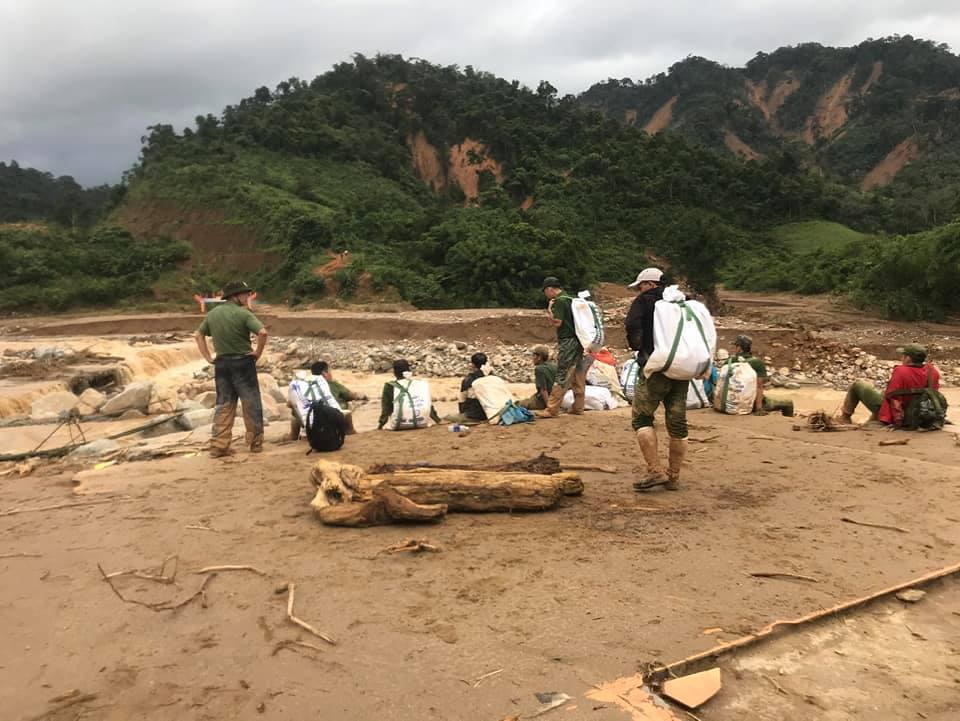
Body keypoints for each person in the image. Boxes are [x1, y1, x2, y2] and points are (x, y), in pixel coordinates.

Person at [626, 267, 699, 492]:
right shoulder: (682, 301)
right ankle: (674, 476)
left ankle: (655, 470)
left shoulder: (645, 301)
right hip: (681, 369)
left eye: (640, 285)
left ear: (649, 284)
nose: (639, 289)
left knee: (642, 417)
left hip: (655, 368)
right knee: (677, 423)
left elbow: (631, 326)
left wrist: (639, 346)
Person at [194, 280, 268, 458]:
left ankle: (219, 446)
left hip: (222, 365)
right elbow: (263, 333)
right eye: (244, 294)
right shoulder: (243, 314)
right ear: (234, 296)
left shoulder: (213, 314)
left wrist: (208, 357)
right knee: (251, 403)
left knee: (224, 405)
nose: (247, 296)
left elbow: (198, 334)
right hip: (243, 363)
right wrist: (257, 352)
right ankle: (255, 443)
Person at [837, 343, 943, 428]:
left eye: (903, 355)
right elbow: (934, 394)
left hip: (902, 414)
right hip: (921, 413)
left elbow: (891, 397)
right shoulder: (932, 371)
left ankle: (845, 417)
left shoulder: (901, 371)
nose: (901, 357)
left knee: (859, 385)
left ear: (908, 358)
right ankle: (872, 418)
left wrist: (885, 419)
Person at [539, 277, 590, 416]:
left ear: (549, 289)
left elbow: (557, 322)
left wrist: (549, 310)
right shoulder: (571, 298)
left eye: (545, 291)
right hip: (578, 340)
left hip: (567, 340)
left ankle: (552, 408)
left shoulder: (560, 301)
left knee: (562, 372)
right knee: (578, 372)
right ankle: (578, 406)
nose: (546, 295)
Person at [287, 362, 362, 440]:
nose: (331, 374)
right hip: (331, 420)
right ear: (325, 373)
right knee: (347, 410)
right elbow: (349, 395)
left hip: (310, 425)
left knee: (295, 414)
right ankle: (350, 432)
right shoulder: (333, 385)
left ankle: (294, 436)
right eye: (330, 371)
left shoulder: (303, 386)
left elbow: (289, 404)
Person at [729, 335, 794, 417]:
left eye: (735, 346)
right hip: (750, 404)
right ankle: (788, 422)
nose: (734, 348)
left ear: (739, 348)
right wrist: (759, 408)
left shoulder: (729, 362)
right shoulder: (757, 363)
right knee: (788, 403)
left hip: (731, 403)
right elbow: (759, 386)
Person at [378, 359, 442, 430]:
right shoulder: (418, 384)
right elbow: (427, 404)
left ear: (395, 372)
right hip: (421, 422)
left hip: (399, 424)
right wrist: (437, 420)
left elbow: (386, 408)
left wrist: (381, 425)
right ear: (408, 371)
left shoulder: (390, 386)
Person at [446, 353, 491, 424]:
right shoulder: (492, 378)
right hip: (489, 413)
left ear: (473, 364)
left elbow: (462, 399)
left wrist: (462, 414)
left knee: (447, 417)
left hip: (474, 415)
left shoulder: (469, 379)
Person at [519, 346, 558, 411]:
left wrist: (549, 407)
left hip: (543, 401)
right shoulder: (554, 366)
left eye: (534, 356)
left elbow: (543, 390)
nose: (532, 358)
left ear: (539, 357)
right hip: (555, 399)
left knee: (519, 404)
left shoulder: (539, 369)